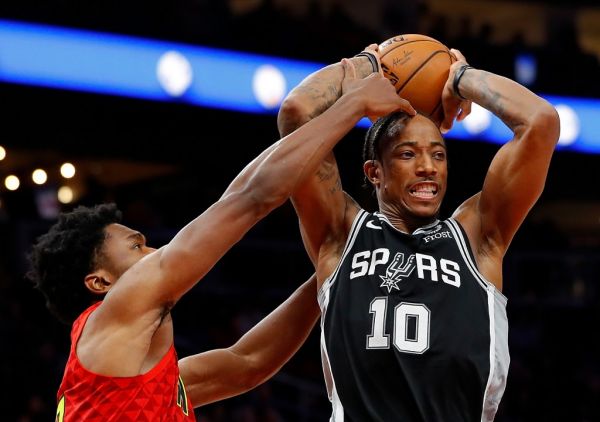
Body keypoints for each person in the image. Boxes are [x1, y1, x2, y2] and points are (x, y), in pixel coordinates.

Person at [27, 60, 412, 421]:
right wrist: (354, 102)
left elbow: (248, 363)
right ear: (101, 282)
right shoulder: (116, 310)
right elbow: (250, 200)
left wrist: (333, 268)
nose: (156, 251)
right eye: (136, 247)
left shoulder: (134, 377)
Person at [277, 46, 560, 421]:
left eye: (438, 155)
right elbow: (297, 113)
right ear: (374, 172)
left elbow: (540, 122)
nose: (428, 167)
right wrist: (367, 66)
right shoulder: (341, 233)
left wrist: (461, 78)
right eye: (408, 154)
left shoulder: (477, 237)